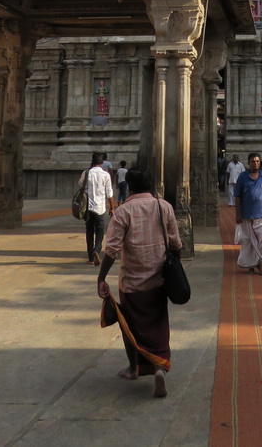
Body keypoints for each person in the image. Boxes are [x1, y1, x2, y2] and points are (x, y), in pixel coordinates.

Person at [97, 168, 182, 398]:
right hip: (158, 279)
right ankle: (159, 368)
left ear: (129, 186)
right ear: (151, 185)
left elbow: (112, 250)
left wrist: (101, 277)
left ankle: (134, 368)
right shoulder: (164, 207)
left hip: (132, 282)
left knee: (130, 326)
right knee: (158, 323)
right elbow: (176, 243)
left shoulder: (123, 212)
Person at [234, 153, 262, 275]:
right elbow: (237, 196)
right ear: (248, 163)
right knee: (249, 241)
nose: (255, 163)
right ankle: (255, 264)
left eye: (257, 161)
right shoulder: (243, 177)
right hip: (247, 215)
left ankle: (257, 262)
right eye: (253, 161)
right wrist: (238, 214)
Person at [80, 152, 114, 265]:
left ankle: (90, 258)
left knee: (89, 232)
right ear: (102, 162)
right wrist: (112, 208)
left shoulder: (86, 173)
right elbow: (109, 193)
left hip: (87, 208)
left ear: (92, 160)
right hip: (100, 207)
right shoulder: (105, 175)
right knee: (100, 231)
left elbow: (80, 184)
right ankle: (97, 250)